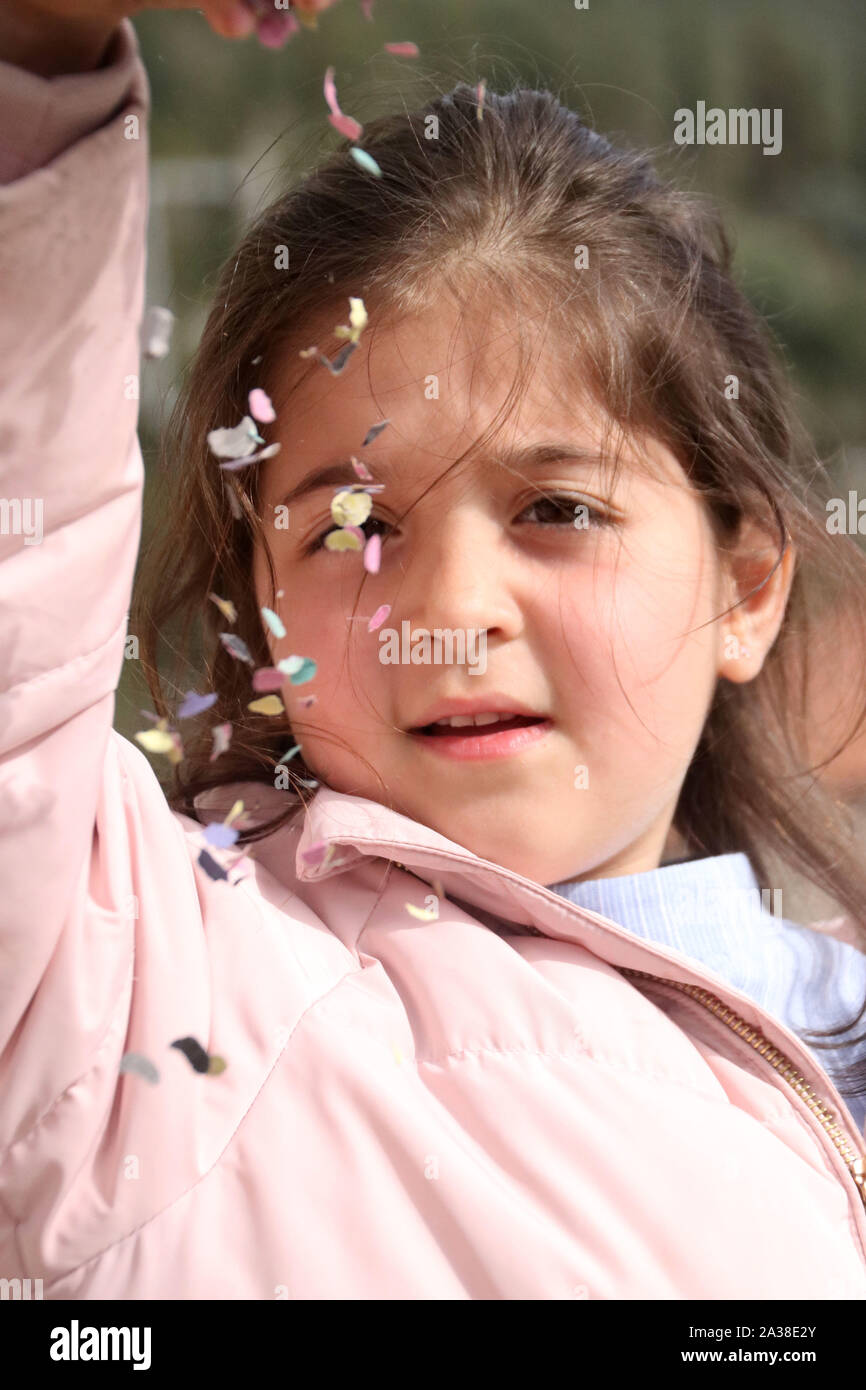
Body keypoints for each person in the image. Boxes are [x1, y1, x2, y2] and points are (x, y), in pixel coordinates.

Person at [2, 0, 866, 1301]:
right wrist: (38, 52)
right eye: (352, 524)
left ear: (744, 589)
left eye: (556, 510)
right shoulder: (148, 1002)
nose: (450, 609)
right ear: (258, 598)